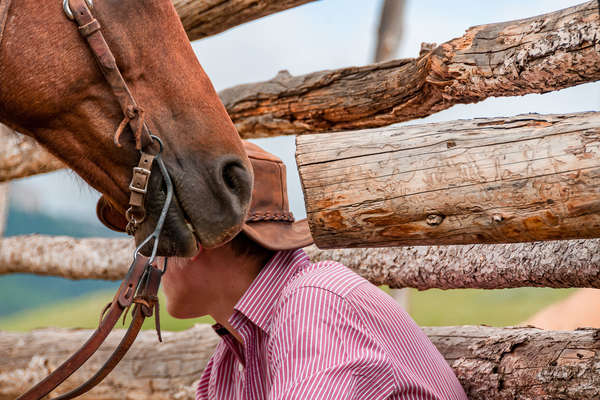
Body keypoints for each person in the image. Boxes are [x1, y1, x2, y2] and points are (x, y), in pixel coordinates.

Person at [99, 142, 468, 400]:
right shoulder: (228, 363)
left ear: (194, 240)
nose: (144, 258)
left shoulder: (314, 304)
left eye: (149, 237)